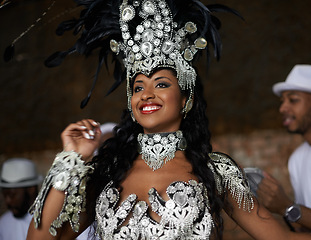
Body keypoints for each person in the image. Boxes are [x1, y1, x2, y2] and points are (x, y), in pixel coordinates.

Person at [14, 0, 309, 239]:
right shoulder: (108, 170)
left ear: (186, 98)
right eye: (138, 86)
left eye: (162, 84)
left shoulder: (216, 172)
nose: (146, 94)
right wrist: (71, 160)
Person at [257, 64, 311, 232]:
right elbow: (302, 226)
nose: (282, 108)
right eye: (282, 101)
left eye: (293, 100)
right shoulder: (297, 158)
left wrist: (286, 207)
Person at [0, 158, 43, 240]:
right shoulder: (3, 224)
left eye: (12, 195)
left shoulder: (52, 218)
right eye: (5, 195)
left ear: (31, 189)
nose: (7, 201)